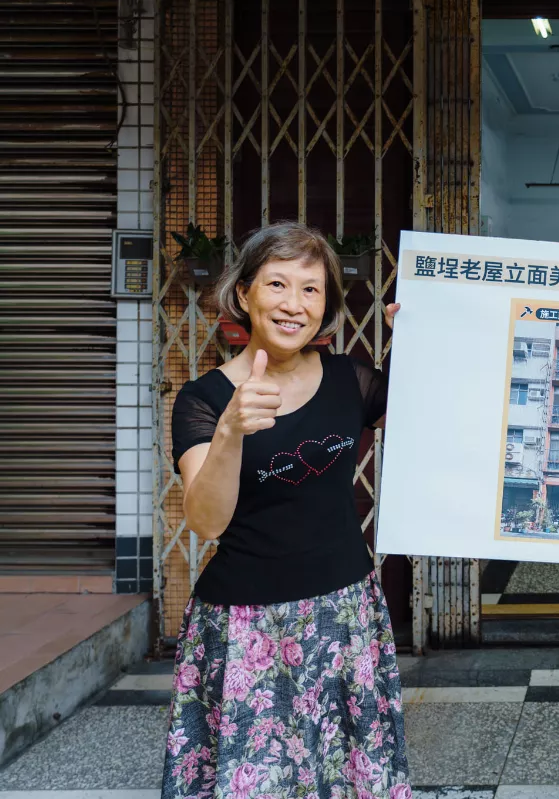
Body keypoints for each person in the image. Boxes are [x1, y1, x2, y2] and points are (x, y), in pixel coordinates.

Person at [161, 222, 411, 799]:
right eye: (277, 284)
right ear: (244, 293)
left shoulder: (353, 380)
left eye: (311, 290)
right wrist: (230, 430)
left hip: (344, 615)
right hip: (245, 625)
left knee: (348, 777)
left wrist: (418, 341)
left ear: (325, 306)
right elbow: (205, 521)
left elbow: (436, 416)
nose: (293, 305)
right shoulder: (203, 399)